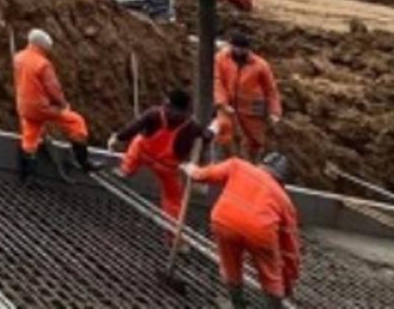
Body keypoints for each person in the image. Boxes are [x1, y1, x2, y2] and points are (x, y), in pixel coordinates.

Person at [186, 152, 301, 307]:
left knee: (230, 264)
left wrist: (192, 170)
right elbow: (290, 247)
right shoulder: (284, 200)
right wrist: (288, 280)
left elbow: (203, 175)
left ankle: (237, 304)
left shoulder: (237, 166)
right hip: (260, 232)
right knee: (271, 275)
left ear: (261, 164)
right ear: (282, 179)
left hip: (223, 220)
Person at [108, 88, 213, 222]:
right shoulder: (192, 125)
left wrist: (117, 138)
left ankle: (126, 169)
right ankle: (172, 231)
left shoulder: (155, 113)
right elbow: (207, 136)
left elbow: (134, 127)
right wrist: (213, 127)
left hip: (145, 154)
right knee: (173, 199)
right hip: (167, 167)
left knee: (138, 141)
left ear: (169, 101)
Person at [13, 28, 98, 180]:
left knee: (29, 138)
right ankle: (84, 162)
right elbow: (53, 89)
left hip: (24, 106)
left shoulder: (18, 57)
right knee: (76, 122)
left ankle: (27, 176)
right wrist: (63, 104)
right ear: (43, 46)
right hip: (41, 107)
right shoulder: (42, 64)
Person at [215, 33, 282, 159]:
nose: (239, 51)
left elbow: (271, 89)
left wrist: (275, 112)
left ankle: (251, 164)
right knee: (225, 130)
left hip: (251, 108)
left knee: (254, 140)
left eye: (242, 48)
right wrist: (222, 103)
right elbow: (217, 81)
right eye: (236, 47)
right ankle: (227, 162)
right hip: (228, 105)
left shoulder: (260, 65)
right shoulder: (221, 59)